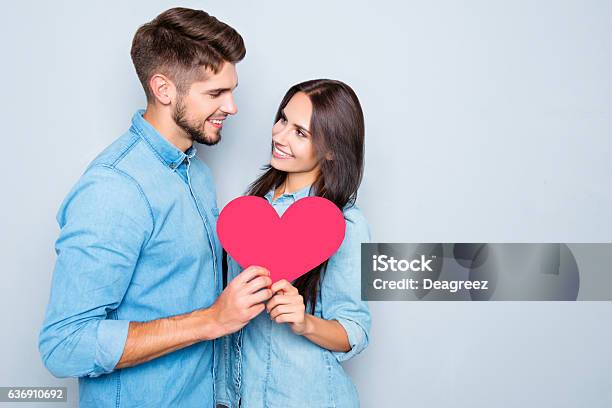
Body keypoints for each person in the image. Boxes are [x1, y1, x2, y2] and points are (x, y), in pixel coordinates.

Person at [38, 7, 273, 407]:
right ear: (164, 90)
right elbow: (64, 345)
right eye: (216, 93)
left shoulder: (195, 172)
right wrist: (211, 320)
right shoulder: (114, 188)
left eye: (232, 90)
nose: (232, 107)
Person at [215, 79, 371, 408]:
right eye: (283, 119)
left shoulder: (346, 224)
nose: (279, 135)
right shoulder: (252, 206)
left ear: (330, 149)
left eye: (300, 132)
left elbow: (355, 330)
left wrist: (304, 322)